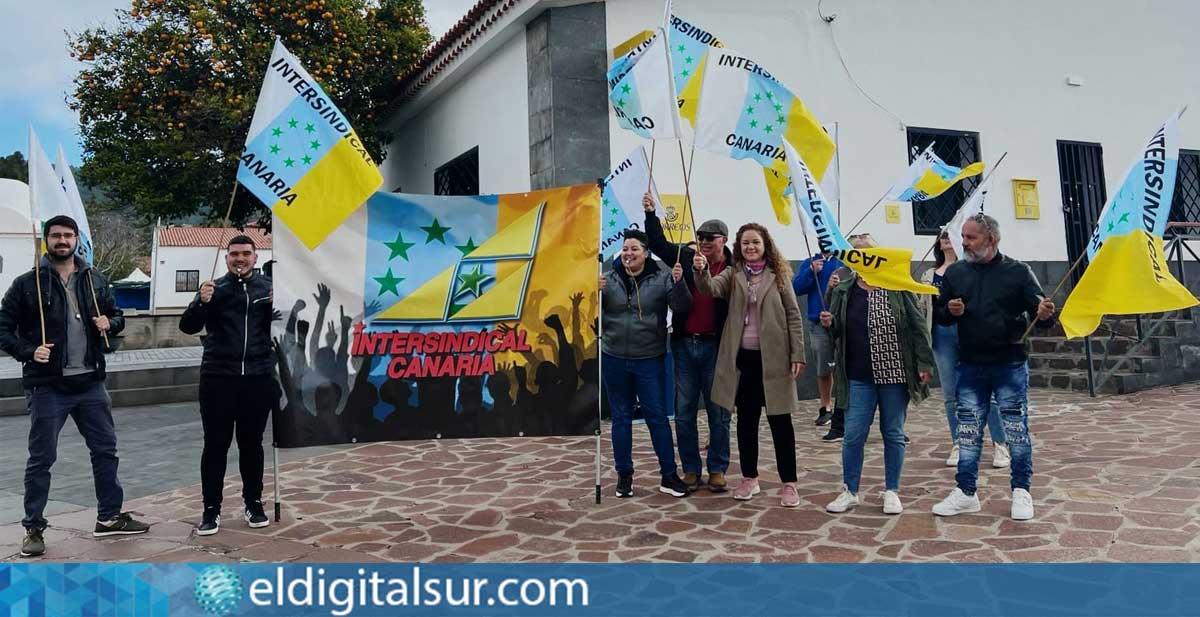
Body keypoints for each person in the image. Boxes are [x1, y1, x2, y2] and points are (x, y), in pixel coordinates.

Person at [0, 215, 149, 557]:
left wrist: (108, 322)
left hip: (90, 382)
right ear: (46, 240)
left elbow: (118, 316)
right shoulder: (27, 284)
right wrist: (28, 350)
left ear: (77, 239)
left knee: (105, 451)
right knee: (42, 459)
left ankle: (109, 517)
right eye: (56, 236)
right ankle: (34, 528)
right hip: (47, 386)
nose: (62, 240)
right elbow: (3, 329)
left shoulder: (95, 279)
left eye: (68, 235)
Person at [931, 214, 1056, 521]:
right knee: (969, 432)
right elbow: (941, 315)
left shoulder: (1019, 272)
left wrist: (1045, 312)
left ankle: (1021, 491)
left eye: (971, 237)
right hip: (970, 364)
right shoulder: (956, 273)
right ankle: (966, 492)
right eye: (963, 236)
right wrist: (949, 309)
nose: (964, 242)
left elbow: (1043, 315)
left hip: (1009, 363)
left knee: (1016, 430)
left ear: (991, 240)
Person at [820, 234, 934, 515]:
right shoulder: (844, 290)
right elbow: (836, 334)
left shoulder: (897, 286)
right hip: (858, 375)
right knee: (853, 434)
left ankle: (892, 490)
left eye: (866, 251)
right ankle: (850, 490)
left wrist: (924, 363)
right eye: (856, 252)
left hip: (895, 374)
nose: (862, 256)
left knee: (893, 432)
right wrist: (829, 324)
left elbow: (917, 326)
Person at [694, 223, 806, 507]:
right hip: (743, 360)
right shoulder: (733, 275)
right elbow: (710, 288)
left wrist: (797, 354)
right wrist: (700, 269)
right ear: (739, 247)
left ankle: (789, 483)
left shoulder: (778, 276)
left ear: (765, 244)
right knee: (746, 422)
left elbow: (793, 316)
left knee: (781, 422)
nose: (750, 247)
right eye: (745, 243)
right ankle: (749, 478)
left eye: (755, 242)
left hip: (775, 359)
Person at [180, 235, 275, 535]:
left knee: (252, 445)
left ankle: (254, 503)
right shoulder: (213, 289)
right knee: (216, 446)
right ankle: (211, 510)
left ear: (255, 258)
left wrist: (279, 303)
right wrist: (200, 301)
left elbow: (286, 325)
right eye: (234, 254)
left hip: (257, 378)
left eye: (246, 253)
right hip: (218, 379)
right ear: (226, 258)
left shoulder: (268, 290)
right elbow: (188, 326)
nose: (240, 259)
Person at [642, 192, 733, 492]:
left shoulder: (736, 268)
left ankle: (718, 468)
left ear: (723, 240)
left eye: (711, 237)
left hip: (717, 348)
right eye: (700, 236)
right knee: (683, 413)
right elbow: (656, 243)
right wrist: (651, 213)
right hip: (684, 346)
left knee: (719, 413)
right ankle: (691, 469)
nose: (704, 242)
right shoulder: (684, 256)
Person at [600, 229, 692, 498]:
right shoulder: (608, 279)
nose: (629, 253)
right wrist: (593, 292)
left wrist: (679, 283)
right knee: (621, 418)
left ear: (646, 253)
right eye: (626, 249)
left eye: (635, 249)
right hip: (614, 357)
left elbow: (682, 306)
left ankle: (668, 474)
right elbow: (587, 312)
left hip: (649, 360)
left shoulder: (662, 278)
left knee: (657, 418)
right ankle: (624, 475)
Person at [920, 232, 1009, 469]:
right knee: (951, 394)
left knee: (985, 390)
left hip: (972, 332)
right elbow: (924, 310)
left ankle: (1000, 444)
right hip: (942, 335)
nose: (946, 239)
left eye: (951, 235)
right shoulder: (929, 275)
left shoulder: (973, 268)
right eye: (942, 236)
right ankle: (959, 442)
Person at [793, 249, 844, 427]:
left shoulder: (844, 262)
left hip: (843, 323)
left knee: (845, 366)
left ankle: (845, 406)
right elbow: (796, 288)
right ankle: (825, 406)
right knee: (823, 367)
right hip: (818, 323)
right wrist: (811, 272)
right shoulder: (810, 262)